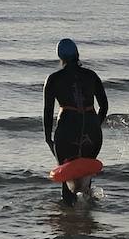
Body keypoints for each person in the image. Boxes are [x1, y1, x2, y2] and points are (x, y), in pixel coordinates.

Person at [43, 38, 108, 205]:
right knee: (85, 175)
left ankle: (69, 220)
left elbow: (48, 111)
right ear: (77, 54)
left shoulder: (54, 79)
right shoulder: (91, 75)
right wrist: (95, 125)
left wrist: (47, 137)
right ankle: (88, 219)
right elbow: (104, 106)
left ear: (60, 56)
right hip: (92, 132)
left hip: (67, 132)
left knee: (67, 177)